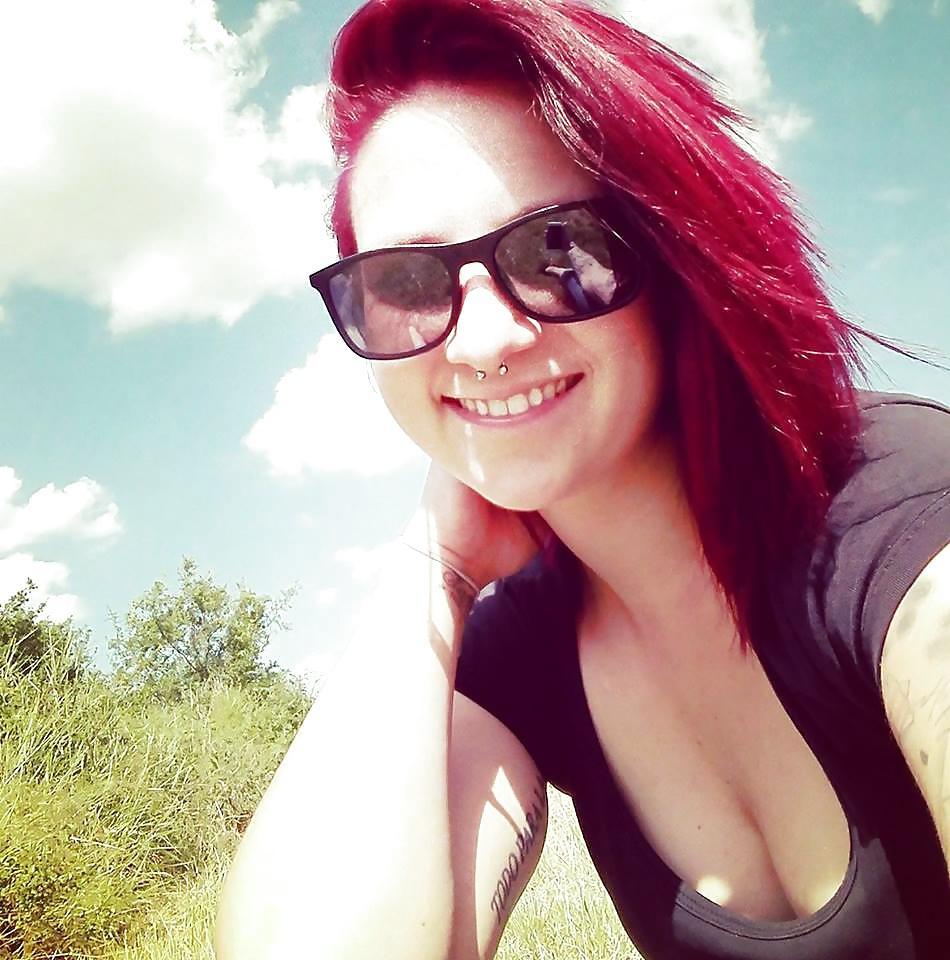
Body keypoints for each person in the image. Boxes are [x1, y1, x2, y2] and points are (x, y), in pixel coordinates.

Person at [214, 1, 950, 958]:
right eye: (406, 282)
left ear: (673, 257)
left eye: (557, 249)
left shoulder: (897, 512)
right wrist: (433, 566)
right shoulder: (524, 650)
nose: (482, 341)